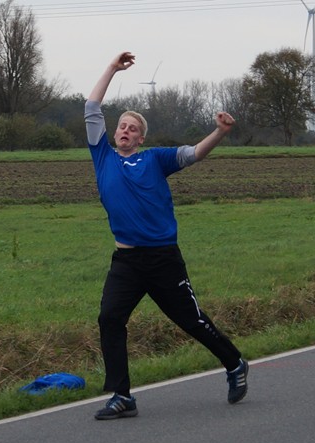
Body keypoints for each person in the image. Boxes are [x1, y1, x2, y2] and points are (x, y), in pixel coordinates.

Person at [85, 51, 248, 420]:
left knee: (191, 321)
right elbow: (92, 107)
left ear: (140, 137)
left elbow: (193, 154)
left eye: (132, 128)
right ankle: (122, 396)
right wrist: (112, 68)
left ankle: (234, 363)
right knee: (110, 318)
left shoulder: (154, 159)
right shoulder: (103, 157)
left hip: (162, 259)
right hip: (126, 260)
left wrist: (220, 132)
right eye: (121, 126)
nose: (124, 131)